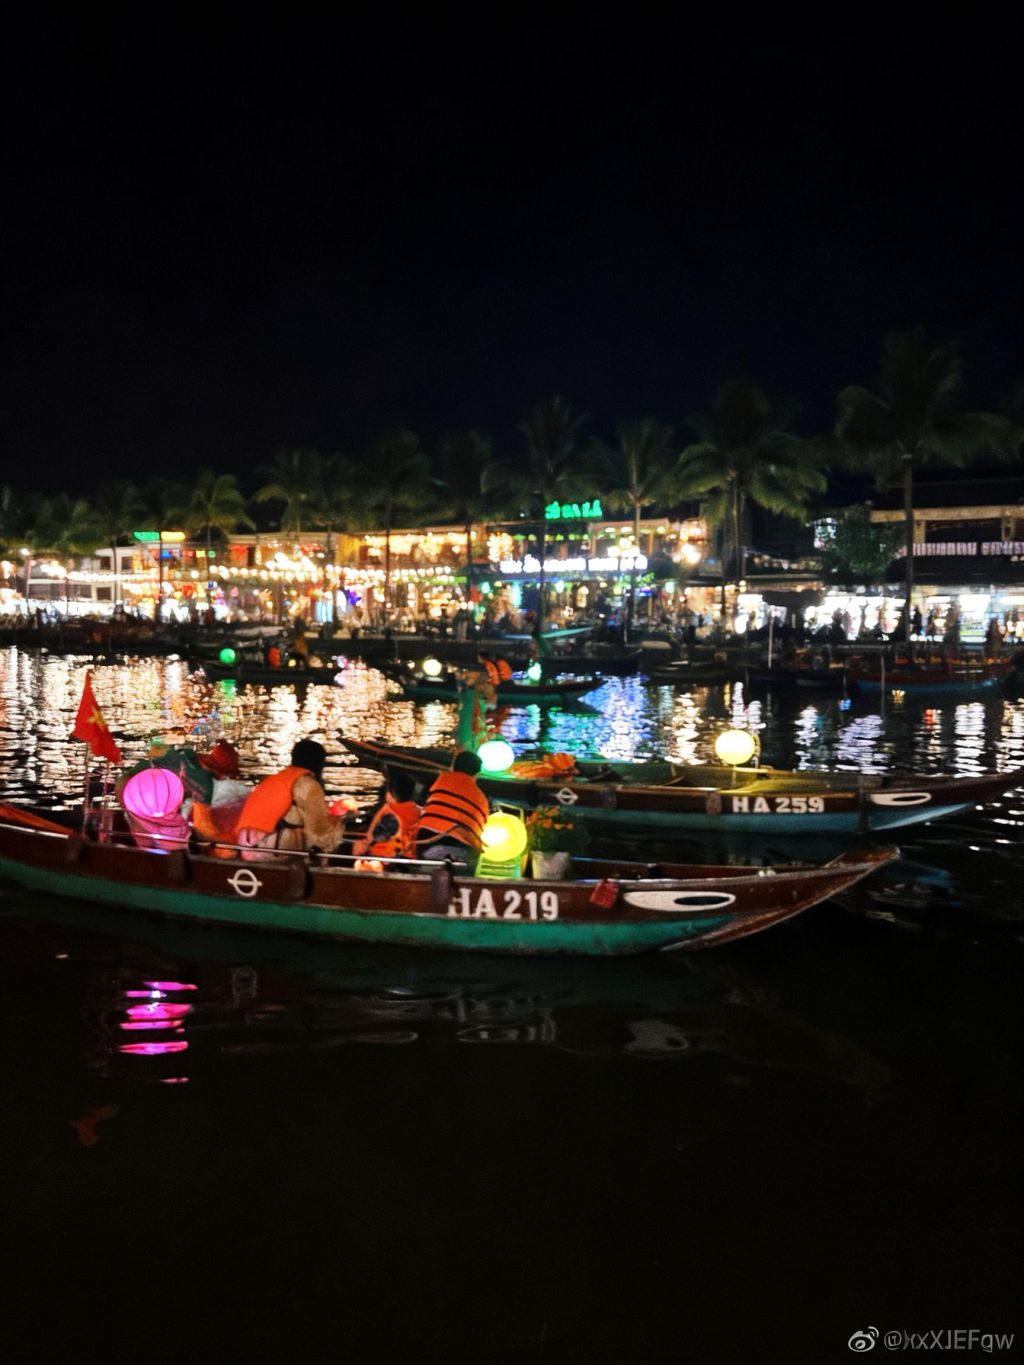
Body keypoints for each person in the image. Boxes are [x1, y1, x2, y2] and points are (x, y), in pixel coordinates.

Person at [235, 739, 347, 860]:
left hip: (244, 845)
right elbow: (319, 831)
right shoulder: (307, 784)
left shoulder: (275, 779)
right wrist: (339, 822)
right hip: (272, 849)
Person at [414, 750, 489, 868]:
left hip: (429, 840)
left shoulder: (439, 780)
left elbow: (420, 805)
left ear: (453, 766)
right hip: (465, 849)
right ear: (477, 774)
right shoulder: (483, 800)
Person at [190, 740, 252, 853]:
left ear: (209, 768)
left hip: (215, 850)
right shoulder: (246, 793)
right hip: (242, 847)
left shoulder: (205, 794)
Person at [352, 769, 421, 860]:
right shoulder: (415, 811)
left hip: (385, 858)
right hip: (405, 856)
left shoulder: (391, 816)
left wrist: (363, 844)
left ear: (391, 794)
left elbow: (378, 837)